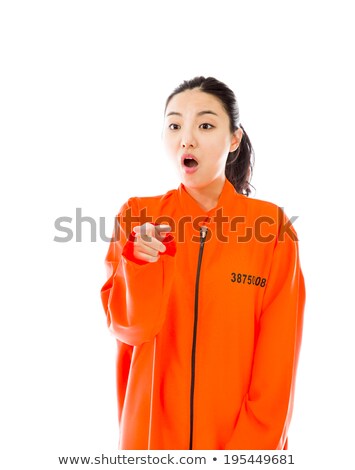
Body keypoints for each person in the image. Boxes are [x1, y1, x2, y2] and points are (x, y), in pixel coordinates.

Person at [100, 76, 306, 450]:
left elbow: (279, 363)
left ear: (234, 139)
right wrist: (139, 263)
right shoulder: (138, 216)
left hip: (237, 444)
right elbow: (130, 330)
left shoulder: (270, 228)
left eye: (205, 125)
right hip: (150, 443)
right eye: (174, 125)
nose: (186, 138)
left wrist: (248, 454)